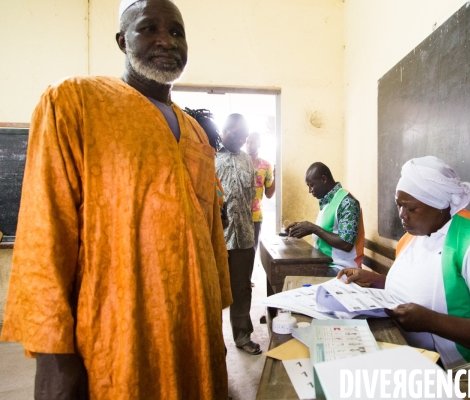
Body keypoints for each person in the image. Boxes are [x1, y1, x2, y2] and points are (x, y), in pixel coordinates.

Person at [0, 0, 233, 398]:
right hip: (115, 336)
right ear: (122, 40)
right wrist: (53, 357)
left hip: (192, 331)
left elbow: (210, 236)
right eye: (149, 29)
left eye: (177, 32)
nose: (166, 40)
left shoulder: (196, 132)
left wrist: (215, 325)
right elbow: (44, 232)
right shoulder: (75, 102)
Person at [337, 156, 470, 369]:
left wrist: (432, 322)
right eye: (399, 205)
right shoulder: (414, 237)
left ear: (438, 205)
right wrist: (376, 280)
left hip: (467, 373)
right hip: (412, 354)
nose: (402, 215)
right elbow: (425, 288)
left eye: (410, 208)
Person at [215, 114, 262, 355]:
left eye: (246, 136)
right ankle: (214, 344)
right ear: (225, 130)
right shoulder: (209, 157)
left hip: (244, 236)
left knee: (242, 288)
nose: (244, 140)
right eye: (239, 135)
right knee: (214, 292)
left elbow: (251, 196)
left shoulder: (247, 160)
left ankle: (242, 336)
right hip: (217, 239)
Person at [287, 162, 364, 276]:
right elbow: (326, 230)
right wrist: (303, 228)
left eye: (311, 185)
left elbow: (346, 244)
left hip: (342, 269)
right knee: (289, 271)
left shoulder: (347, 202)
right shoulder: (327, 202)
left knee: (291, 274)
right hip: (326, 264)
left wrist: (313, 228)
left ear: (323, 179)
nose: (310, 190)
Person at [246, 132, 275, 251]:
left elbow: (269, 194)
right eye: (247, 142)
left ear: (259, 144)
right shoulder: (240, 162)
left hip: (255, 217)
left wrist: (276, 178)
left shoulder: (266, 166)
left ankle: (250, 270)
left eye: (252, 142)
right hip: (239, 214)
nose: (249, 145)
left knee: (252, 250)